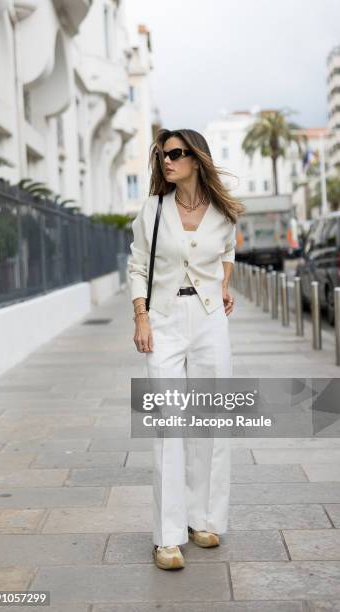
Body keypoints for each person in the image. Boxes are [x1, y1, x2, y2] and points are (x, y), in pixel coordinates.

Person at [128, 128, 245, 570]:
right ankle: (167, 536)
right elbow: (137, 264)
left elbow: (228, 250)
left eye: (175, 154)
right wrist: (141, 316)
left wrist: (224, 286)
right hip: (164, 321)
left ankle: (205, 519)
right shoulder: (153, 210)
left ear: (196, 159)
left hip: (211, 320)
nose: (166, 161)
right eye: (161, 155)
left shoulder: (222, 211)